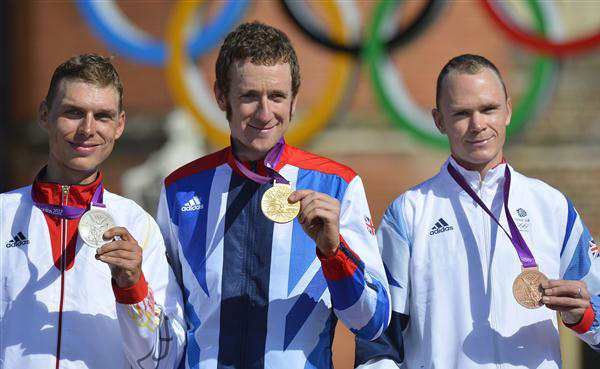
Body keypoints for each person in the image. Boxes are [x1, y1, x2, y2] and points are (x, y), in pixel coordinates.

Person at [156, 21, 390, 368]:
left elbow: (372, 323)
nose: (265, 114)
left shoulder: (338, 185)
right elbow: (165, 323)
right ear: (222, 96)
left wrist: (333, 252)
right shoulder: (182, 189)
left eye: (277, 96)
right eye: (250, 96)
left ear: (294, 101)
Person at [355, 54, 600, 368]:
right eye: (461, 113)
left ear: (508, 110)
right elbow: (378, 340)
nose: (478, 125)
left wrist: (583, 315)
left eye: (489, 109)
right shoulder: (408, 214)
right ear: (439, 120)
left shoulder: (551, 206)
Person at [0, 54, 186, 368]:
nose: (88, 129)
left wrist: (133, 288)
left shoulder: (139, 226)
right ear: (45, 115)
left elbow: (162, 361)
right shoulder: (4, 216)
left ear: (120, 125)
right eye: (73, 113)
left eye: (102, 116)